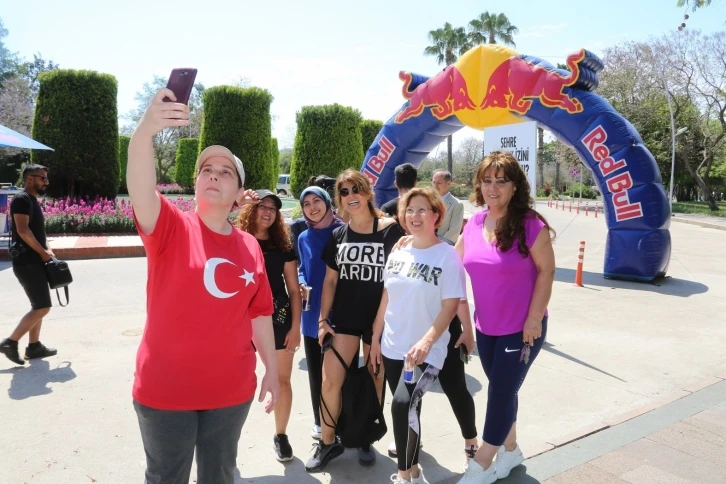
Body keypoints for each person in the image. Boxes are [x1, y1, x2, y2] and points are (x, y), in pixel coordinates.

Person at [126, 87, 279, 484]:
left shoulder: (250, 246)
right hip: (165, 391)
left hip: (230, 393)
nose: (213, 174)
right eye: (206, 169)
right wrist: (145, 131)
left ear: (238, 194)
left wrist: (272, 369)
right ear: (195, 184)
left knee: (219, 476)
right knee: (166, 478)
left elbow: (259, 313)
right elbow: (141, 189)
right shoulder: (170, 227)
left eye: (225, 172)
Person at [457, 151, 555, 484]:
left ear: (515, 187)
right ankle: (510, 450)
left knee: (499, 392)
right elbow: (450, 261)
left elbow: (547, 271)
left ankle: (482, 464)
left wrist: (535, 318)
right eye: (487, 181)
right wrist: (414, 242)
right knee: (504, 391)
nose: (493, 188)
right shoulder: (474, 223)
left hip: (523, 328)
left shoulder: (531, 225)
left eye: (501, 181)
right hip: (487, 328)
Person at [305, 169, 405, 473]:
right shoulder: (339, 235)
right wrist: (323, 320)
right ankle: (327, 441)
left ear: (368, 192)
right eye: (344, 192)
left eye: (356, 189)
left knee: (375, 379)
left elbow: (395, 281)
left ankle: (365, 437)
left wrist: (377, 330)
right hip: (345, 318)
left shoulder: (391, 231)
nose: (351, 196)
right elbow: (330, 282)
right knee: (330, 381)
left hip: (379, 321)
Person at [370, 187, 466, 484]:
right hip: (392, 346)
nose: (415, 215)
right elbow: (387, 296)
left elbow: (450, 306)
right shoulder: (398, 251)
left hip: (425, 351)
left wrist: (427, 342)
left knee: (402, 405)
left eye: (422, 209)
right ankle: (412, 469)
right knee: (409, 409)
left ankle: (403, 476)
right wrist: (375, 338)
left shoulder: (447, 256)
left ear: (436, 215)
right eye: (409, 210)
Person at [235, 189, 302, 462]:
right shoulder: (234, 238)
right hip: (238, 320)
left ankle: (281, 435)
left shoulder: (283, 245)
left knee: (283, 380)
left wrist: (295, 328)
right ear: (251, 208)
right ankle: (227, 441)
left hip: (278, 319)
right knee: (235, 381)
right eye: (262, 206)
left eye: (273, 209)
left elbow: (294, 290)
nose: (268, 212)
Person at [295, 186, 344, 441]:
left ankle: (341, 423)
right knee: (316, 372)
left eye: (317, 201)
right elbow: (302, 268)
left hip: (339, 313)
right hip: (311, 312)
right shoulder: (303, 237)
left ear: (327, 202)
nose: (312, 207)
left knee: (339, 374)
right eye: (306, 204)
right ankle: (319, 421)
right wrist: (301, 283)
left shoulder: (343, 232)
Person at [0, 164, 57, 366]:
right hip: (27, 262)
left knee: (38, 305)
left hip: (36, 261)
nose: (46, 182)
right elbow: (23, 231)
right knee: (42, 307)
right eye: (43, 178)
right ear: (29, 179)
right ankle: (10, 342)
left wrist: (48, 249)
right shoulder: (21, 200)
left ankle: (34, 347)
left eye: (46, 178)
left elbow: (38, 233)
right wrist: (42, 253)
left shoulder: (32, 201)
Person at [432, 170, 464, 244]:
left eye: (439, 183)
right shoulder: (427, 201)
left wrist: (439, 245)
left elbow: (454, 230)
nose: (435, 185)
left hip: (443, 246)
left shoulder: (457, 204)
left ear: (448, 183)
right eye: (434, 182)